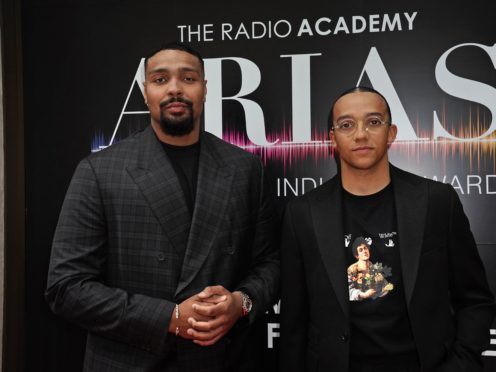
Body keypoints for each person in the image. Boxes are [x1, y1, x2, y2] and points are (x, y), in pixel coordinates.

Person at [46, 42, 279, 372]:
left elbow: (270, 263)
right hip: (129, 361)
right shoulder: (99, 171)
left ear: (205, 88)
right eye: (160, 79)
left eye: (188, 78)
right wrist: (168, 318)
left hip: (224, 360)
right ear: (145, 93)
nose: (175, 89)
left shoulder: (245, 169)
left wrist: (241, 303)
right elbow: (66, 288)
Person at [279, 86, 495, 372]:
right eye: (346, 125)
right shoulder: (302, 213)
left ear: (391, 132)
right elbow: (293, 323)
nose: (360, 134)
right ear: (332, 138)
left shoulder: (438, 201)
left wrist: (460, 365)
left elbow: (475, 300)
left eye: (373, 122)